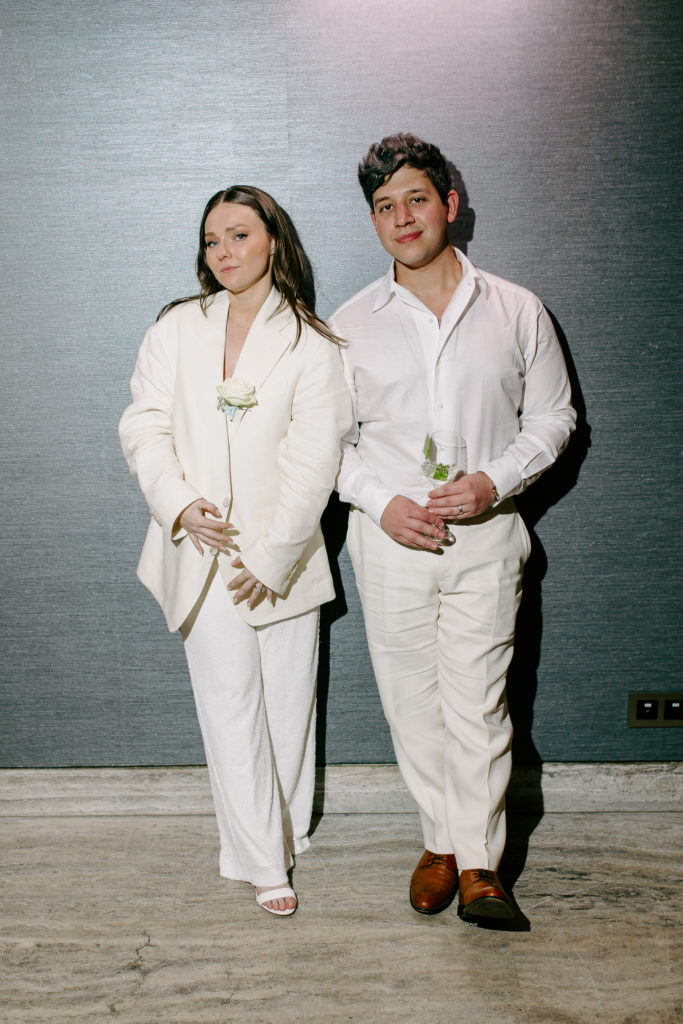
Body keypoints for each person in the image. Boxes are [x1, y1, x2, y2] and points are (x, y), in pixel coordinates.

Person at [329, 134, 576, 920]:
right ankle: (440, 840)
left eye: (414, 199)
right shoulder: (349, 322)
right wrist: (380, 502)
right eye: (383, 205)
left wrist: (493, 481)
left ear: (449, 205)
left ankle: (478, 866)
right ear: (373, 220)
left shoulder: (515, 307)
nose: (401, 217)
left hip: (488, 534)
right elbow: (324, 445)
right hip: (390, 541)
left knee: (479, 702)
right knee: (412, 702)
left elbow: (554, 418)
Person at [119, 186, 353, 917]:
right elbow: (142, 426)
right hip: (198, 549)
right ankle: (261, 862)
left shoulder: (315, 344)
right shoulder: (174, 329)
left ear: (273, 242)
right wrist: (180, 505)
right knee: (228, 706)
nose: (223, 252)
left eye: (239, 236)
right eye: (212, 240)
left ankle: (277, 838)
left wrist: (273, 555)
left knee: (287, 709)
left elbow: (317, 459)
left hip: (280, 558)